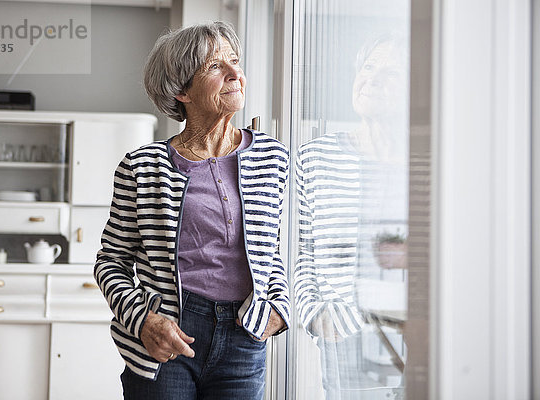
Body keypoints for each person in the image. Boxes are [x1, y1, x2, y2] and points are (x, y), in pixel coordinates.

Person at [94, 21, 290, 400]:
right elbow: (111, 262)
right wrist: (143, 321)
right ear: (182, 90)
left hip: (244, 336)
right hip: (168, 339)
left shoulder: (271, 157)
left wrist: (279, 306)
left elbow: (271, 251)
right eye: (217, 67)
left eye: (235, 61)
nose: (236, 74)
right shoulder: (142, 166)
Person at [294, 33, 409, 399]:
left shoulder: (427, 161)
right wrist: (314, 315)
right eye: (368, 67)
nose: (371, 79)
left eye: (390, 73)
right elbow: (299, 252)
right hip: (344, 338)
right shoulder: (315, 158)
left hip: (414, 334)